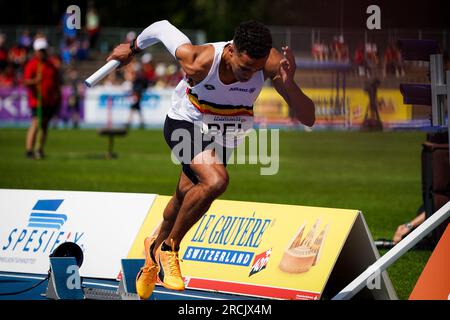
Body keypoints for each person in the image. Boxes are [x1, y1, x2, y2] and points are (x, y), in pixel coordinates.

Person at [107, 20, 315, 299]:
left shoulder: (271, 64)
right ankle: (169, 249)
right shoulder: (198, 59)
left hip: (227, 131)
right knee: (216, 180)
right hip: (186, 122)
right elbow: (161, 27)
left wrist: (289, 86)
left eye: (256, 69)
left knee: (185, 195)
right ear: (230, 51)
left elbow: (308, 117)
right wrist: (131, 48)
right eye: (244, 68)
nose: (249, 75)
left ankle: (151, 251)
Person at [23, 38, 61, 159]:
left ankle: (39, 149)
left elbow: (56, 83)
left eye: (44, 50)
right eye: (40, 50)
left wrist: (57, 96)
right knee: (35, 123)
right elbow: (25, 82)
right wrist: (35, 81)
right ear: (36, 51)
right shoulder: (32, 64)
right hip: (36, 100)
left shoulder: (51, 65)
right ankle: (29, 150)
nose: (42, 53)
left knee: (44, 125)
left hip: (48, 101)